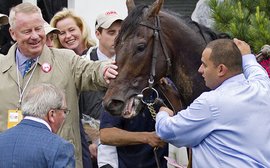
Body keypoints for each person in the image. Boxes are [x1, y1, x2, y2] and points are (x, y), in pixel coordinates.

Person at [0, 3, 118, 168]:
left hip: (58, 160)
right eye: (27, 31)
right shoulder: (1, 66)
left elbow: (90, 71)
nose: (35, 36)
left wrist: (104, 69)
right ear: (12, 33)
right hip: (12, 160)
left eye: (38, 29)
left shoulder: (66, 59)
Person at [155, 38, 270, 167]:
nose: (200, 70)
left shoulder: (210, 103)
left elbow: (167, 131)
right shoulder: (262, 86)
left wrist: (163, 114)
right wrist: (247, 56)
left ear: (221, 69)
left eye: (204, 64)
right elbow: (255, 69)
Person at [50, 8, 99, 168]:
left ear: (81, 29)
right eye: (62, 33)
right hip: (80, 139)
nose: (68, 36)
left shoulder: (97, 57)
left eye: (72, 29)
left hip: (108, 137)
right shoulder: (57, 64)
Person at [0, 83, 75, 167]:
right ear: (52, 114)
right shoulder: (60, 148)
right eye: (64, 111)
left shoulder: (2, 139)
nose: (64, 116)